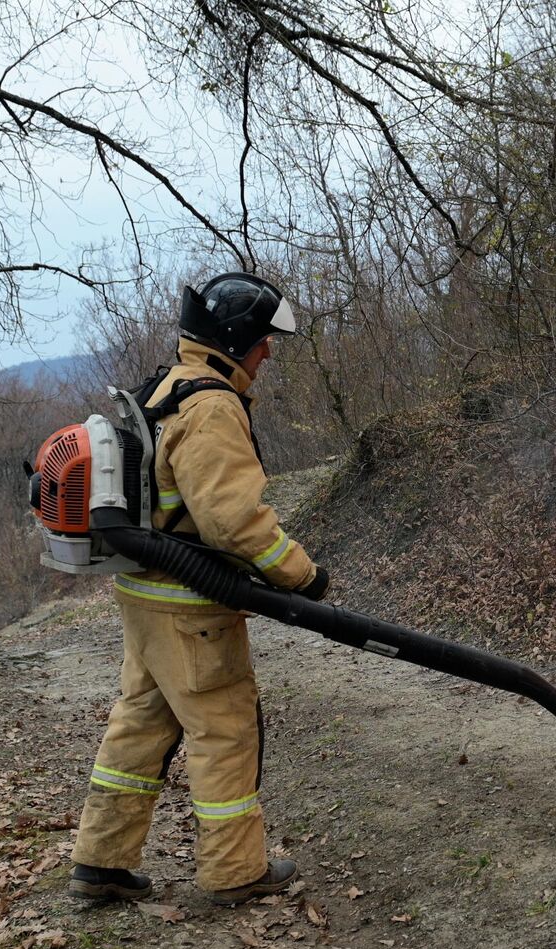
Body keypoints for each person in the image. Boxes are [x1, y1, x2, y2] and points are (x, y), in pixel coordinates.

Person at [69, 272, 328, 906]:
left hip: (148, 597)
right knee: (225, 731)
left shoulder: (167, 386)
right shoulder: (211, 406)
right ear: (237, 339)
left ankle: (101, 862)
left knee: (140, 726)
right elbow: (233, 521)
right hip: (192, 608)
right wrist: (302, 575)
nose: (268, 353)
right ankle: (236, 871)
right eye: (264, 340)